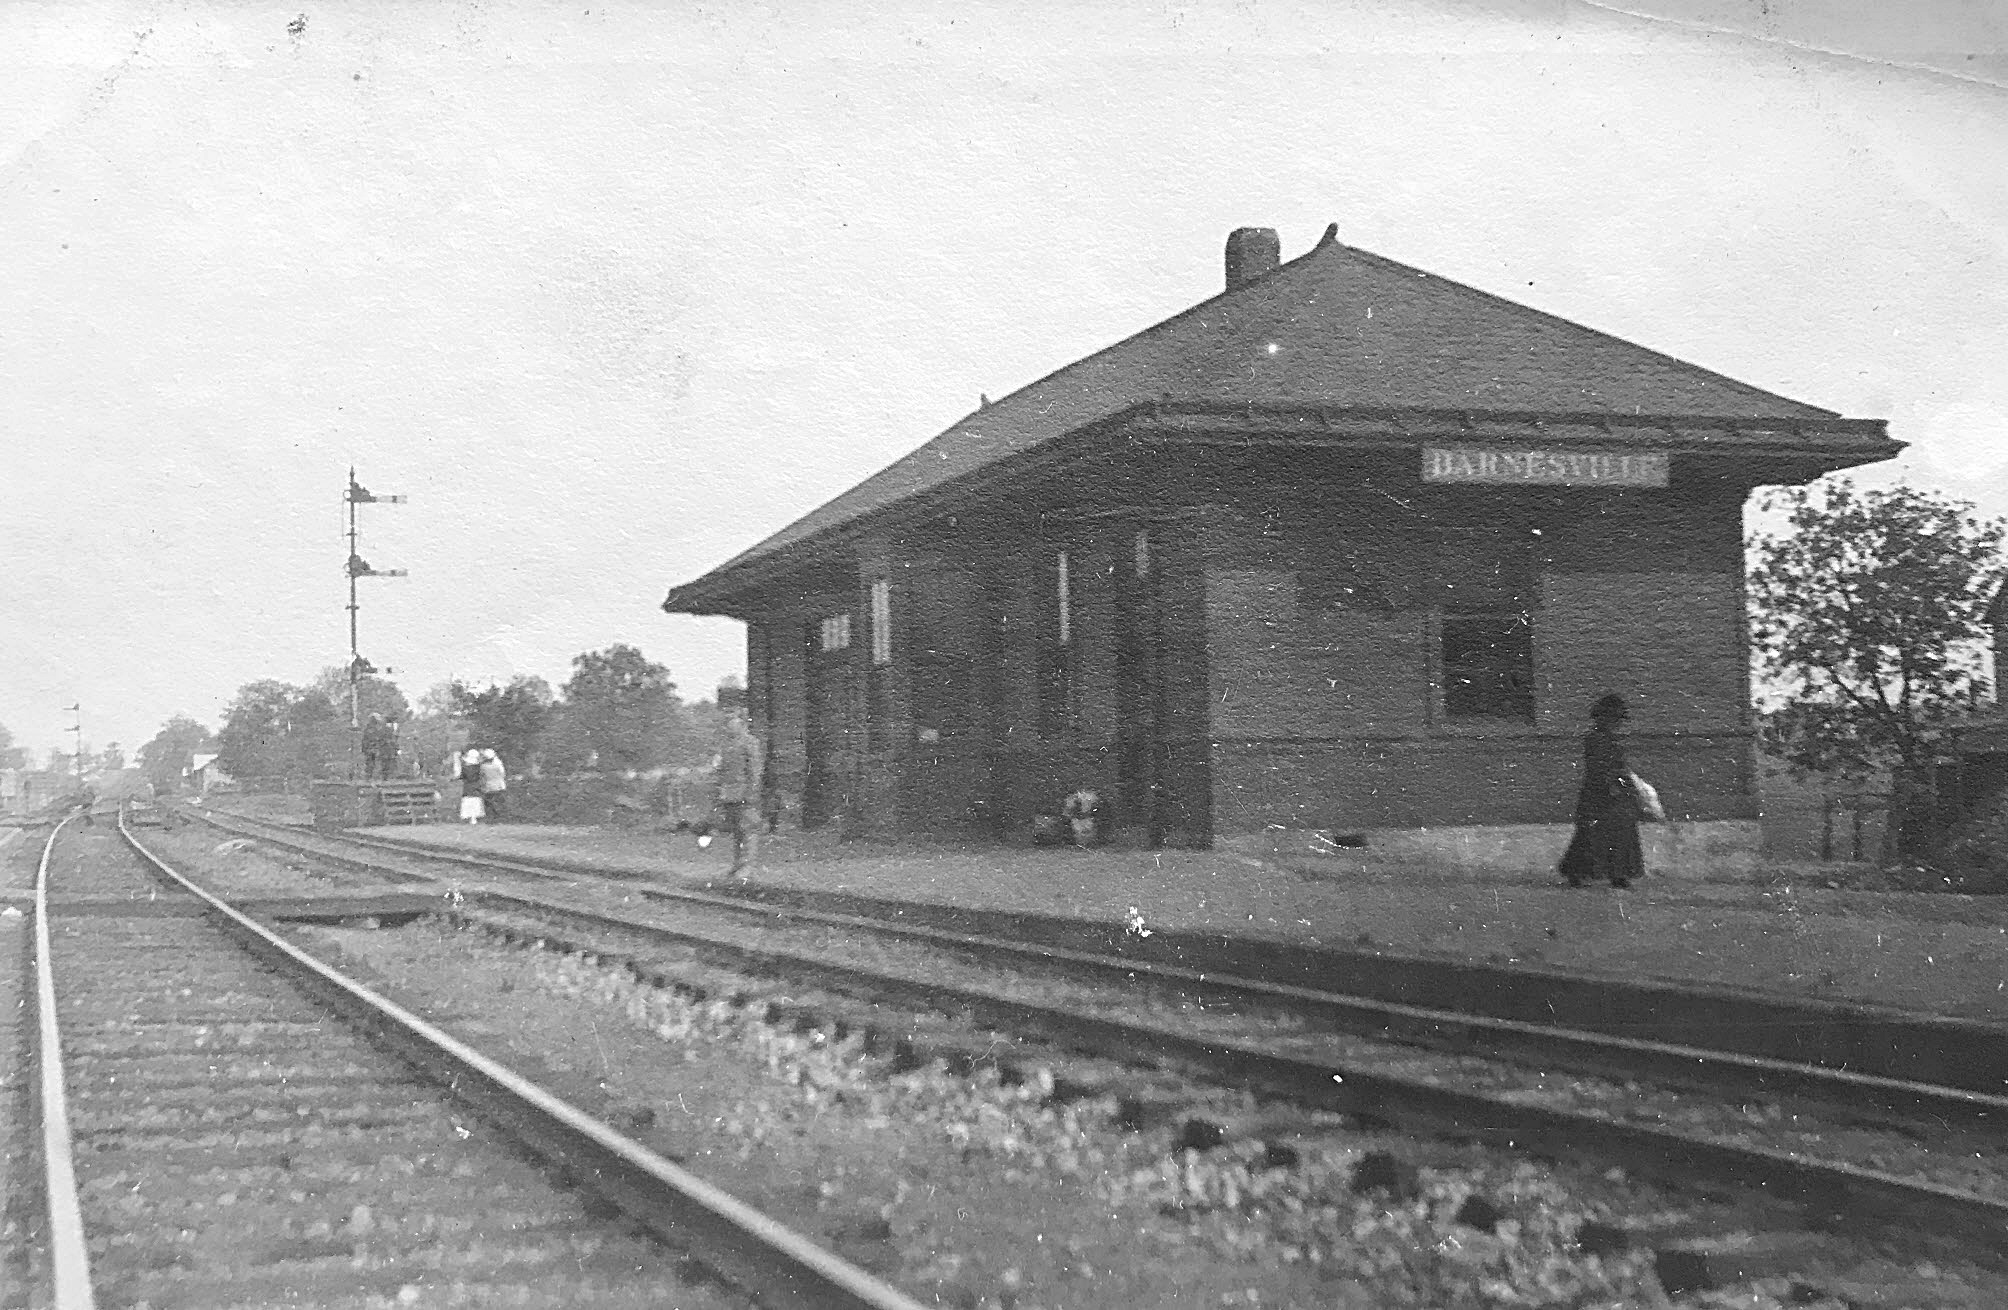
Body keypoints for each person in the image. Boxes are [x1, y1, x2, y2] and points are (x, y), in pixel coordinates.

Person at [1558, 693, 1644, 888]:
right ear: (1603, 718)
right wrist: (1613, 785)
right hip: (1599, 794)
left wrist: (1626, 784)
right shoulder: (1595, 739)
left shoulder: (1609, 739)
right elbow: (1598, 768)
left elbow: (1618, 766)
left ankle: (1619, 874)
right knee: (1591, 835)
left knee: (1620, 833)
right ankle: (1578, 872)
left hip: (1612, 793)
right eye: (1614, 719)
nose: (1617, 724)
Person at [714, 709, 766, 876]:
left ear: (742, 725)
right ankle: (738, 863)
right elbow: (722, 770)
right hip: (730, 794)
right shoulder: (727, 745)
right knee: (737, 831)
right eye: (728, 725)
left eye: (733, 724)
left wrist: (752, 790)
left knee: (748, 830)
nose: (729, 728)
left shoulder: (750, 743)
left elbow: (755, 769)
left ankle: (748, 866)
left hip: (746, 793)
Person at [478, 749, 508, 822]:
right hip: (499, 786)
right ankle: (500, 817)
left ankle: (491, 818)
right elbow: (503, 774)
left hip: (489, 786)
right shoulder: (498, 764)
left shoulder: (483, 766)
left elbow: (482, 776)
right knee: (499, 802)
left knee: (489, 803)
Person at [457, 748, 485, 824]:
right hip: (476, 786)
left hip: (467, 786)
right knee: (476, 801)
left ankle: (469, 817)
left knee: (468, 800)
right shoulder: (479, 767)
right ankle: (475, 817)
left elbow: (461, 776)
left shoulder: (465, 768)